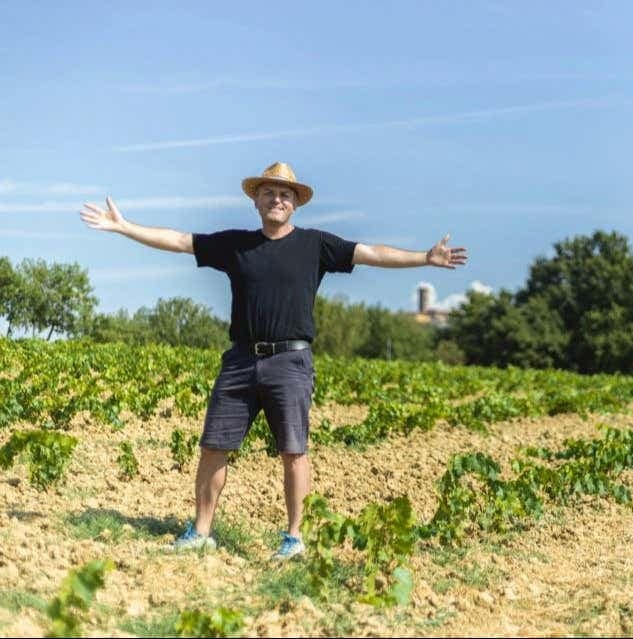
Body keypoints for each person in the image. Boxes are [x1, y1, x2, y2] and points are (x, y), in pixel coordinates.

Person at [79, 161, 467, 560]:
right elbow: (179, 240)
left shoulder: (316, 244)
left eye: (284, 194)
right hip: (240, 360)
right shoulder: (235, 245)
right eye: (268, 193)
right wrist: (125, 227)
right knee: (214, 446)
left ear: (295, 204)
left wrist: (425, 257)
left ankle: (294, 539)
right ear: (256, 202)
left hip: (291, 362)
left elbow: (371, 253)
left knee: (294, 451)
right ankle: (201, 531)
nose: (276, 199)